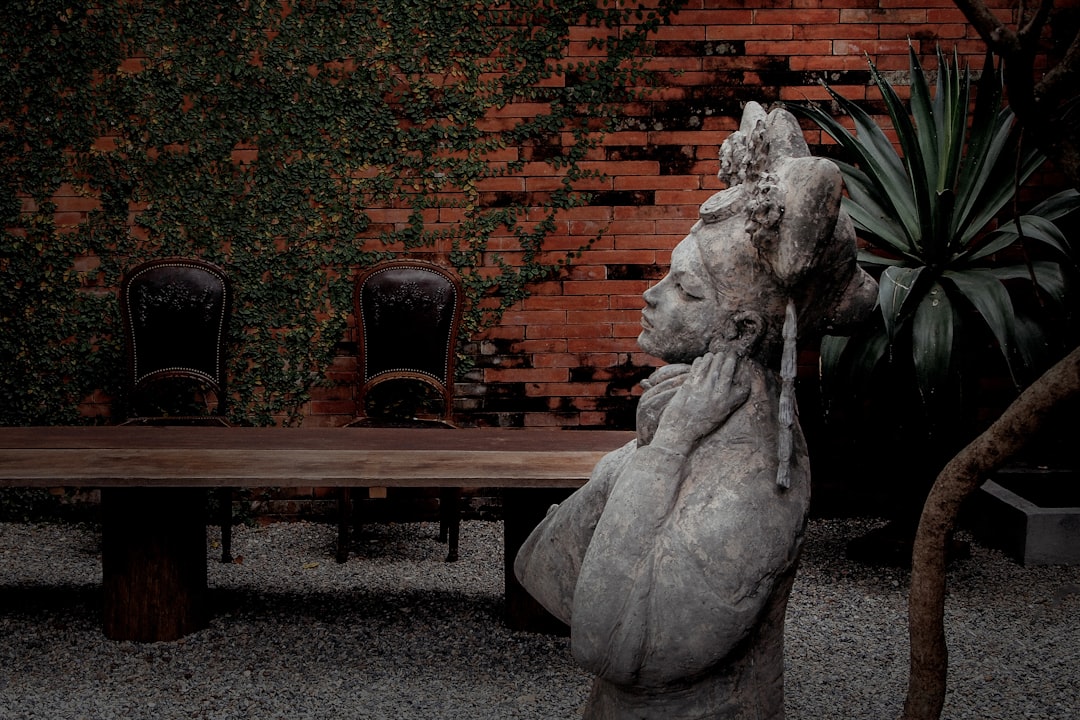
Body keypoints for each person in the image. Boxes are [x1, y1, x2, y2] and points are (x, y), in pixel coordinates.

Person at [514, 102, 877, 720]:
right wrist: (656, 443)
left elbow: (610, 643)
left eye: (684, 288)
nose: (651, 296)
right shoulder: (686, 410)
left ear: (738, 326)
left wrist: (666, 451)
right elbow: (539, 564)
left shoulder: (756, 478)